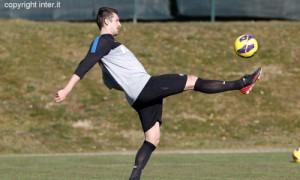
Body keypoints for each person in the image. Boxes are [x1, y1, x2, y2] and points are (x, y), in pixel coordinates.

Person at [55, 7, 262, 180]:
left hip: (138, 97)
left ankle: (134, 178)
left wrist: (129, 88)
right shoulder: (104, 41)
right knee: (193, 81)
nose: (120, 24)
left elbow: (110, 82)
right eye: (117, 20)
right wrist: (67, 89)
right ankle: (242, 83)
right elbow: (85, 64)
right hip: (146, 87)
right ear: (107, 21)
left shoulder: (105, 50)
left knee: (152, 138)